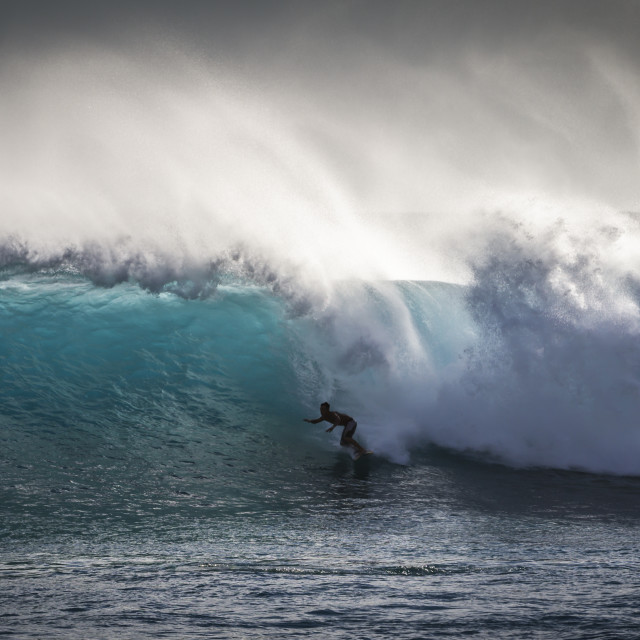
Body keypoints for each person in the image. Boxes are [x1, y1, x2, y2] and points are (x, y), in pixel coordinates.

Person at [304, 402, 371, 458]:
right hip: (347, 425)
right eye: (321, 409)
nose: (321, 411)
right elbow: (316, 421)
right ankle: (356, 449)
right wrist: (309, 421)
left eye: (323, 409)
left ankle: (362, 450)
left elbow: (338, 419)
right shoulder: (324, 417)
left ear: (328, 409)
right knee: (343, 443)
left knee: (346, 437)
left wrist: (333, 427)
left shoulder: (333, 414)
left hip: (351, 422)